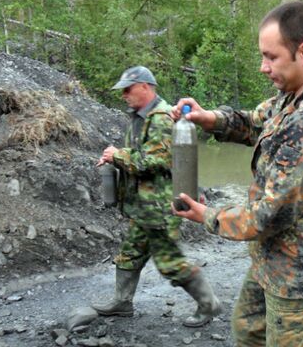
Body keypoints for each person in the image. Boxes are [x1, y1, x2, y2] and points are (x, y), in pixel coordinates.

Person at [172, 1, 303, 346]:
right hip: (273, 257)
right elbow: (257, 122)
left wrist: (206, 215)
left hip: (299, 269)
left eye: (271, 57)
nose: (262, 67)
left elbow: (267, 217)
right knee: (248, 329)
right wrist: (208, 118)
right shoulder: (295, 95)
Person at [93, 65, 222, 328]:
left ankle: (209, 305)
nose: (124, 95)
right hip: (143, 207)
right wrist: (114, 158)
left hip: (160, 207)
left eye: (128, 89)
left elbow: (155, 161)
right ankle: (122, 302)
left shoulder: (162, 117)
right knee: (130, 252)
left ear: (145, 86)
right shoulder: (140, 117)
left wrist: (117, 155)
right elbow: (135, 156)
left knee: (169, 261)